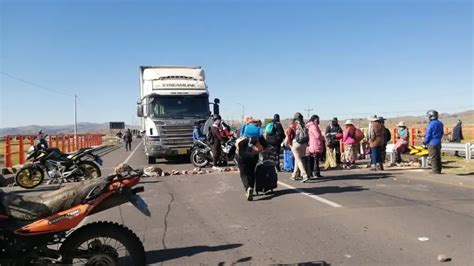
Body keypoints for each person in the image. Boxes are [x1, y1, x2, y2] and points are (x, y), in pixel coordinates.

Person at [236, 131, 268, 201]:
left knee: (243, 173)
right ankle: (251, 187)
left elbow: (236, 146)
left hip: (242, 157)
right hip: (253, 157)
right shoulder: (259, 137)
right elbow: (266, 146)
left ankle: (248, 187)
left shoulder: (242, 135)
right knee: (251, 172)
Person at [286, 112, 309, 182]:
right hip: (304, 143)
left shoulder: (293, 124)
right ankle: (294, 175)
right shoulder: (304, 124)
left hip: (296, 143)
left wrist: (290, 143)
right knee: (298, 159)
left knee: (298, 160)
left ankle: (304, 175)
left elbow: (289, 134)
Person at [424, 110, 444, 174]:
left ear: (431, 116)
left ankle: (435, 171)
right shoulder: (440, 123)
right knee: (438, 157)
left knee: (433, 157)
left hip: (432, 143)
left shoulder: (431, 124)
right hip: (438, 142)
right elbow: (441, 133)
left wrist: (425, 141)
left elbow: (428, 134)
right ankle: (439, 170)